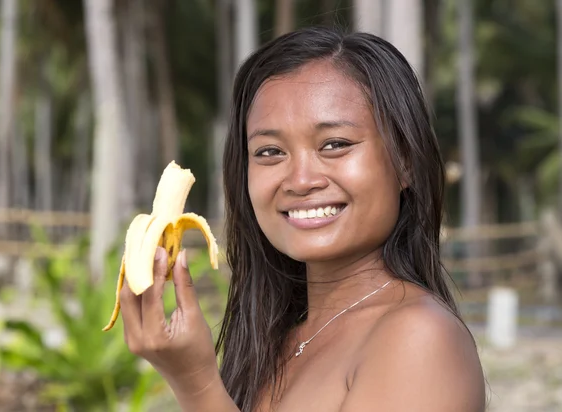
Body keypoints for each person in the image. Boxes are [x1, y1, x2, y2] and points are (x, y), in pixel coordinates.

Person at [118, 26, 486, 412]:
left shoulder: (419, 337)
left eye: (335, 145)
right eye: (270, 152)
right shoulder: (275, 342)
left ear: (405, 160)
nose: (300, 181)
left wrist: (195, 382)